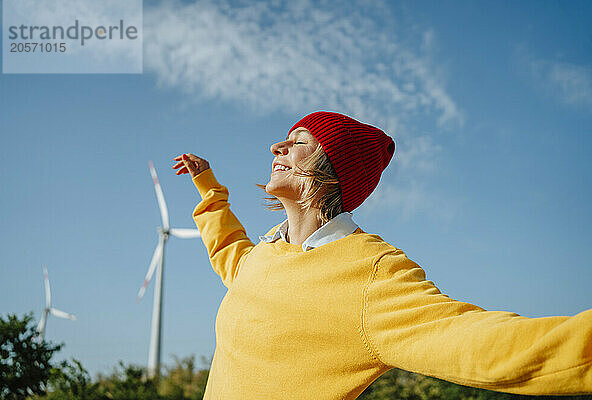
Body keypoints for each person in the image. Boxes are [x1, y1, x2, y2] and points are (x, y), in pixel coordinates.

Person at [172, 111, 592, 399]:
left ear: (330, 166)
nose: (276, 146)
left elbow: (479, 343)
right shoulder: (265, 253)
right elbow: (229, 250)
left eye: (298, 141)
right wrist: (208, 187)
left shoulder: (370, 274)